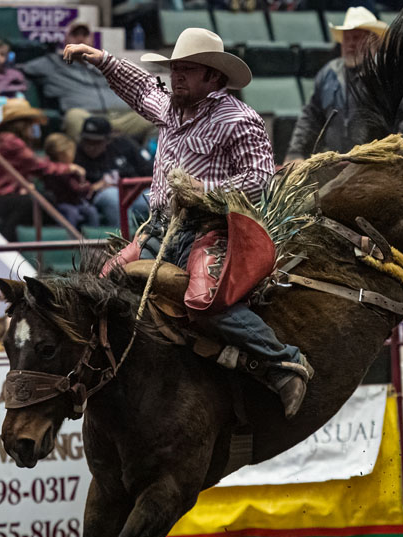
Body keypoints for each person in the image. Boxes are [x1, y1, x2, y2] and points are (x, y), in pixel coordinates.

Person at [62, 27, 314, 417]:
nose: (176, 76)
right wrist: (101, 59)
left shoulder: (238, 119)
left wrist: (204, 189)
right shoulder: (169, 108)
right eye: (175, 69)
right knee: (103, 285)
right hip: (160, 229)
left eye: (187, 69)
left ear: (214, 77)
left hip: (209, 229)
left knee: (203, 300)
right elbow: (141, 88)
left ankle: (284, 362)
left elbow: (261, 177)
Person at [285, 7, 403, 161]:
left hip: (381, 163)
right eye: (347, 38)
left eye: (358, 38)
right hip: (338, 163)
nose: (351, 44)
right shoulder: (328, 73)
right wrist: (295, 151)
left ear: (374, 42)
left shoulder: (391, 69)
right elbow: (310, 116)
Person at [21, 20, 153, 145]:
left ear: (92, 40)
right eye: (75, 34)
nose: (80, 38)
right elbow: (19, 68)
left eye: (85, 35)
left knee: (155, 117)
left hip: (121, 118)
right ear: (65, 40)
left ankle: (150, 163)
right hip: (87, 118)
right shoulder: (51, 63)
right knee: (74, 117)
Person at [0, 99, 86, 240]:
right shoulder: (10, 141)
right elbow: (39, 166)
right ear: (21, 124)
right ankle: (8, 242)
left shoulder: (4, 139)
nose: (32, 128)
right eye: (30, 124)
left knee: (41, 199)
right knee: (38, 201)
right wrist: (70, 167)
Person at [74, 115, 154, 228]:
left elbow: (149, 170)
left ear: (108, 140)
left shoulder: (123, 145)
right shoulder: (77, 154)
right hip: (103, 197)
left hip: (133, 193)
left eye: (96, 142)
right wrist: (93, 187)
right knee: (113, 196)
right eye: (87, 141)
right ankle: (124, 240)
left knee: (156, 197)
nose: (90, 147)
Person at [43, 131, 101, 229]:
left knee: (92, 211)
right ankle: (69, 241)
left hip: (74, 203)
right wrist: (87, 184)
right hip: (59, 204)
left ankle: (96, 240)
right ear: (61, 153)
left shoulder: (70, 168)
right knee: (72, 213)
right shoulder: (56, 169)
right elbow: (76, 188)